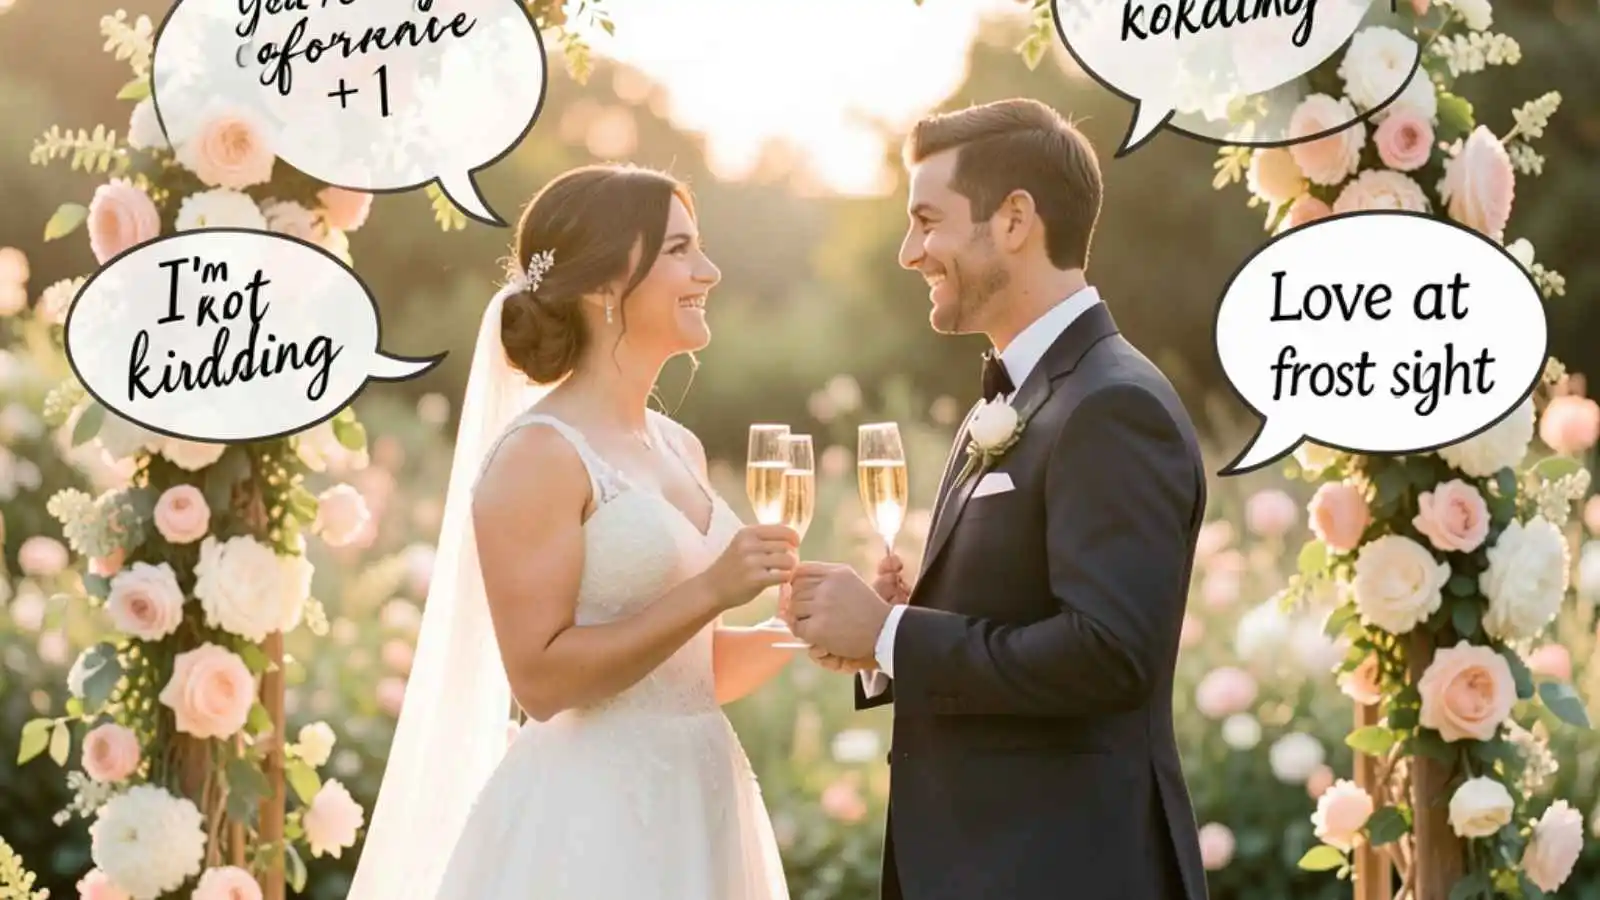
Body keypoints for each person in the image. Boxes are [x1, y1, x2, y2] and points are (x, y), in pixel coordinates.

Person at [784, 98, 1211, 899]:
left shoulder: (1114, 404)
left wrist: (891, 634)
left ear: (1014, 219)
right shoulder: (1019, 395)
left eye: (927, 221)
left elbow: (1108, 654)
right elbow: (1019, 617)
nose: (910, 252)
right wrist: (891, 635)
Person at [345, 163, 803, 900]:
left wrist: (804, 631)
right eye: (679, 249)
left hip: (700, 802)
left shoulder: (679, 446)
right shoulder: (540, 454)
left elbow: (692, 673)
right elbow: (542, 680)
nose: (709, 271)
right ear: (601, 285)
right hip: (592, 823)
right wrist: (715, 589)